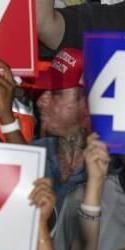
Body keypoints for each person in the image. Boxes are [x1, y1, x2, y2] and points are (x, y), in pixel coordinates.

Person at [27, 48, 90, 211]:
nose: (40, 102)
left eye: (56, 93)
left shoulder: (115, 171)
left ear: (87, 102)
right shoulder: (36, 152)